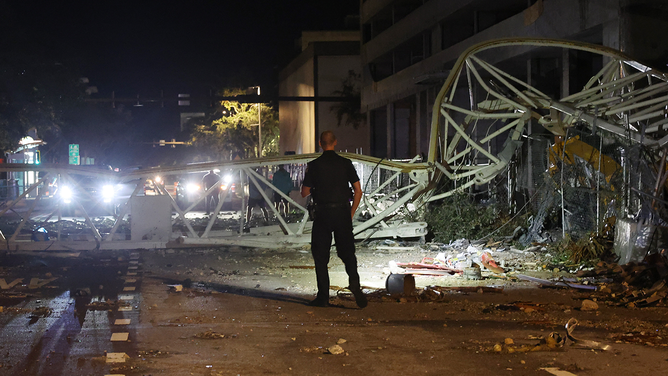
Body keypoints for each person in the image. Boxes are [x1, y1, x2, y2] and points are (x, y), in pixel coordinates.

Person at [301, 131, 366, 308]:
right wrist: (351, 212)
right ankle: (354, 284)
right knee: (347, 253)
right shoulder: (345, 163)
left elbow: (304, 192)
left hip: (323, 214)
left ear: (320, 143)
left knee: (320, 256)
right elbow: (358, 190)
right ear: (335, 142)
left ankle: (323, 297)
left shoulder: (314, 165)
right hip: (342, 212)